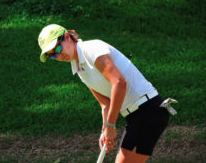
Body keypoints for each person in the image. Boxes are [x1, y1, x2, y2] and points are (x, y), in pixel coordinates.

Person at [38, 24, 170, 163]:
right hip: (135, 115)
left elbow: (119, 83)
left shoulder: (91, 49)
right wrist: (105, 131)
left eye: (58, 48)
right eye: (52, 55)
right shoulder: (79, 68)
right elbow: (105, 104)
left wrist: (111, 126)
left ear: (67, 37)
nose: (58, 55)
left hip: (148, 110)